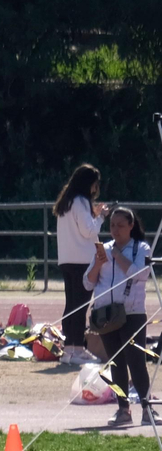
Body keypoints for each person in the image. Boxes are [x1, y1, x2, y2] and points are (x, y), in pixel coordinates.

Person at [85, 206, 153, 427]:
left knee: (136, 361)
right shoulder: (102, 249)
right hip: (106, 315)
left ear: (131, 226)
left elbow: (142, 274)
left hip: (132, 313)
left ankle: (147, 408)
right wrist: (98, 263)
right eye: (112, 225)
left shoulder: (141, 248)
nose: (115, 230)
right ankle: (123, 409)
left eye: (121, 226)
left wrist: (117, 256)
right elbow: (87, 282)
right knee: (115, 362)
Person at [54, 164, 107, 359]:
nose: (96, 188)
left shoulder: (66, 202)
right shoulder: (80, 202)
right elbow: (88, 231)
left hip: (67, 259)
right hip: (82, 260)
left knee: (72, 304)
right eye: (95, 184)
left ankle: (71, 348)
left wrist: (92, 214)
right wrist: (100, 216)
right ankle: (75, 349)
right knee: (80, 305)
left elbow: (80, 227)